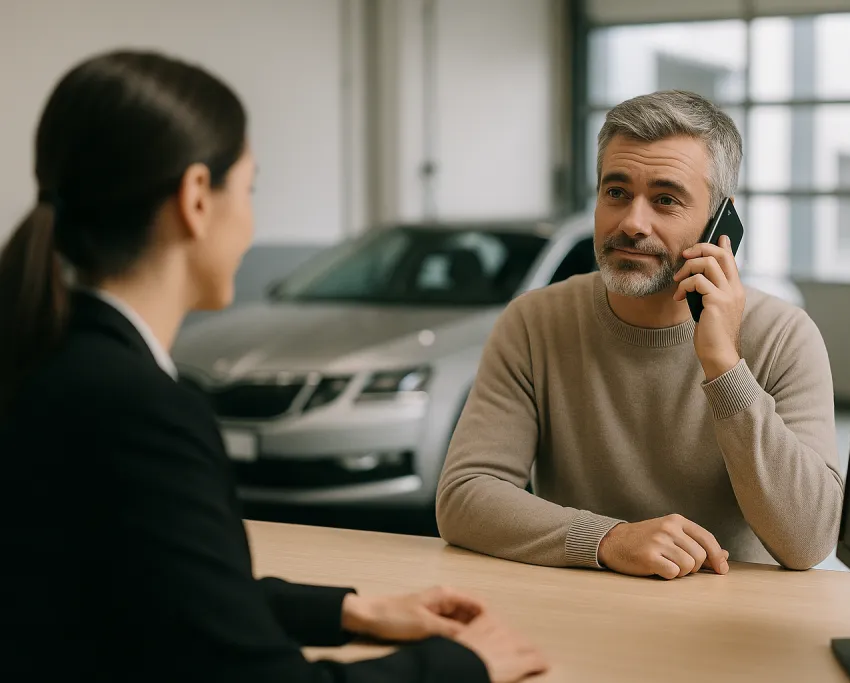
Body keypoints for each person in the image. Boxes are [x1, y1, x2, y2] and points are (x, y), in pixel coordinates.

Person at [0, 50, 547, 683]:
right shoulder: (135, 409)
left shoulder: (44, 359)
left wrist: (351, 611)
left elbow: (157, 587)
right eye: (249, 187)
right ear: (197, 197)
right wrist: (461, 665)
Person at [436, 90, 843, 579]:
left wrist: (725, 366)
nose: (632, 222)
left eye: (666, 200)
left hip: (728, 622)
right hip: (575, 610)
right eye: (617, 193)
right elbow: (465, 494)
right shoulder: (533, 322)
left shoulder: (784, 336)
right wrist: (607, 539)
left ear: (720, 224)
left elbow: (810, 540)